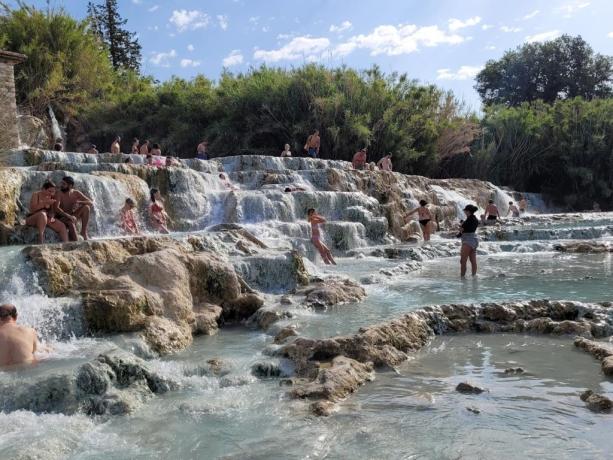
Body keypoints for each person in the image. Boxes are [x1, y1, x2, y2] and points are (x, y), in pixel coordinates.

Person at [56, 176, 94, 241]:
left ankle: (83, 232)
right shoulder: (59, 193)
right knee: (70, 222)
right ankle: (76, 243)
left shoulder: (76, 193)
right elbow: (56, 208)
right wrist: (68, 216)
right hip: (62, 217)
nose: (61, 185)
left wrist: (79, 202)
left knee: (86, 207)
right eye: (61, 183)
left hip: (72, 215)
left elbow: (91, 202)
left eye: (64, 184)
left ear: (70, 186)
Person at [459, 204, 479, 277]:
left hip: (468, 240)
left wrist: (461, 226)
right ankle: (474, 276)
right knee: (473, 261)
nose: (464, 212)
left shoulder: (468, 220)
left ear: (468, 211)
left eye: (465, 211)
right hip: (474, 239)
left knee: (463, 261)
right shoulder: (475, 219)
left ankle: (462, 278)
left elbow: (462, 230)